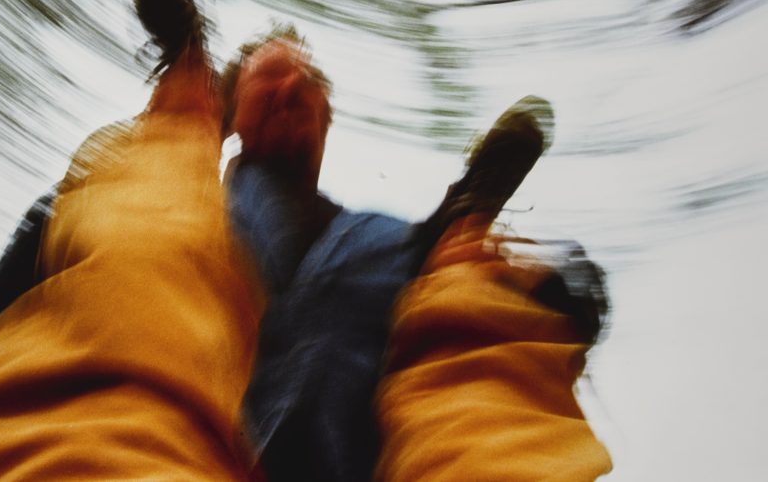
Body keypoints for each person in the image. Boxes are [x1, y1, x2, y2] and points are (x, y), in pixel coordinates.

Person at [0, 0, 264, 480]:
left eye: (210, 88)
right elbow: (6, 286)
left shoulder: (177, 186)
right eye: (206, 85)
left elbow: (3, 288)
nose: (204, 96)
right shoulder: (144, 170)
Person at [221, 33, 610, 481]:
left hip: (366, 447)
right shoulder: (210, 209)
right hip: (234, 440)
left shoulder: (370, 236)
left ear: (325, 117)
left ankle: (464, 231)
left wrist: (540, 292)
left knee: (433, 269)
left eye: (307, 79)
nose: (292, 85)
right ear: (229, 116)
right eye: (270, 76)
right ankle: (460, 227)